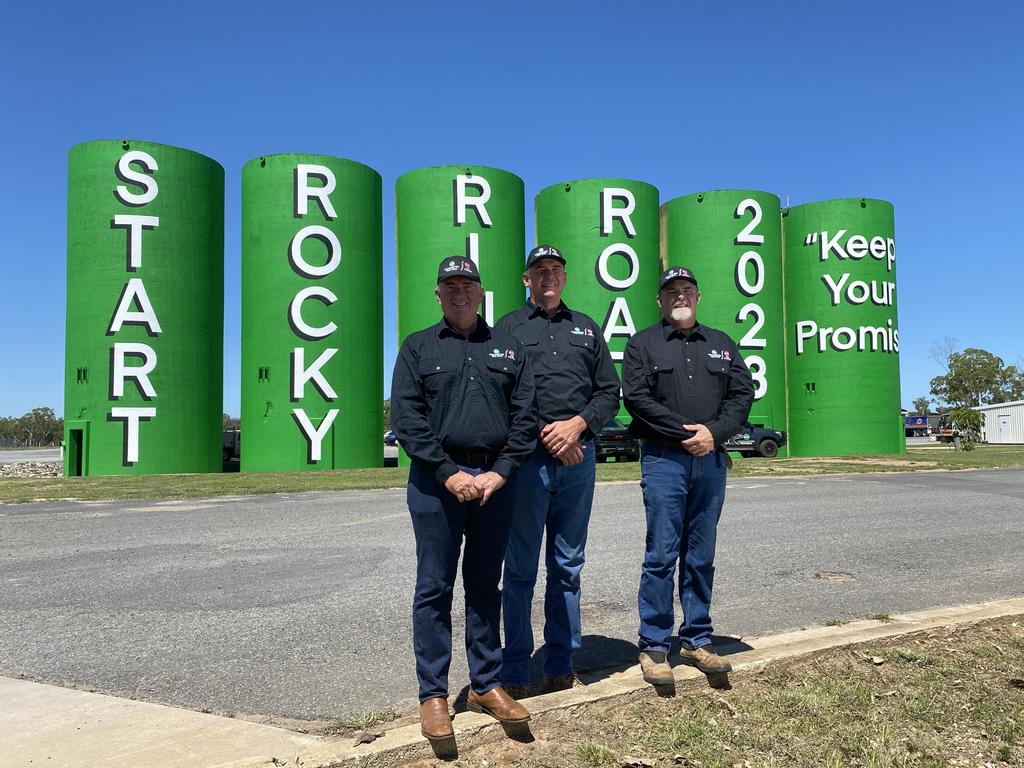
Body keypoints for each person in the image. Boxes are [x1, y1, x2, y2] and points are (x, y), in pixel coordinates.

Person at [391, 257, 537, 744]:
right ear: (437, 294)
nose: (459, 293)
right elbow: (408, 419)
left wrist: (501, 472)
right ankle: (433, 695)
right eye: (449, 286)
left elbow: (525, 418)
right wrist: (448, 472)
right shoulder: (417, 347)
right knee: (434, 587)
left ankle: (485, 684)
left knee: (484, 585)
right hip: (437, 482)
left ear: (481, 292)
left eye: (467, 284)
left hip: (496, 480)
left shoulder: (509, 347)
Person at [496, 244, 620, 698]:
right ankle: (513, 671)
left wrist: (578, 426)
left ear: (564, 277)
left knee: (567, 566)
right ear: (526, 279)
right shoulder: (507, 328)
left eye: (556, 269)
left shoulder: (586, 328)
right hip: (528, 465)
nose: (548, 276)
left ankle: (560, 664)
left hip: (578, 463)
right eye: (539, 270)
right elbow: (503, 394)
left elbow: (609, 392)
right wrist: (550, 436)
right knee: (520, 570)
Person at [621, 266, 754, 686]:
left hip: (711, 462)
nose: (680, 297)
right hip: (665, 460)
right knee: (661, 554)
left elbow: (742, 394)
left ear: (698, 297)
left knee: (701, 553)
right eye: (671, 292)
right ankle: (655, 645)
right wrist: (688, 434)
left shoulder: (721, 343)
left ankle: (698, 638)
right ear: (660, 301)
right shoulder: (643, 343)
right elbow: (637, 399)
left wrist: (714, 433)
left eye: (687, 290)